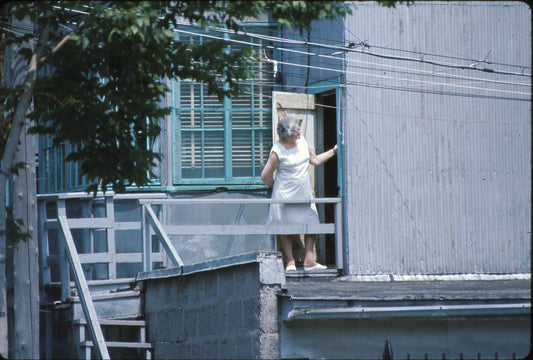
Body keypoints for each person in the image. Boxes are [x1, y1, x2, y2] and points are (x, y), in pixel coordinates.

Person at [261, 116, 338, 272]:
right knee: (285, 227)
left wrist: (334, 151)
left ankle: (309, 260)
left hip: (303, 195)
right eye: (296, 129)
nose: (299, 131)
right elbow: (265, 176)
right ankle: (290, 261)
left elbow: (315, 160)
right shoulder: (277, 151)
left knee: (312, 223)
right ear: (288, 134)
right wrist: (278, 187)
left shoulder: (302, 141)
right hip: (284, 197)